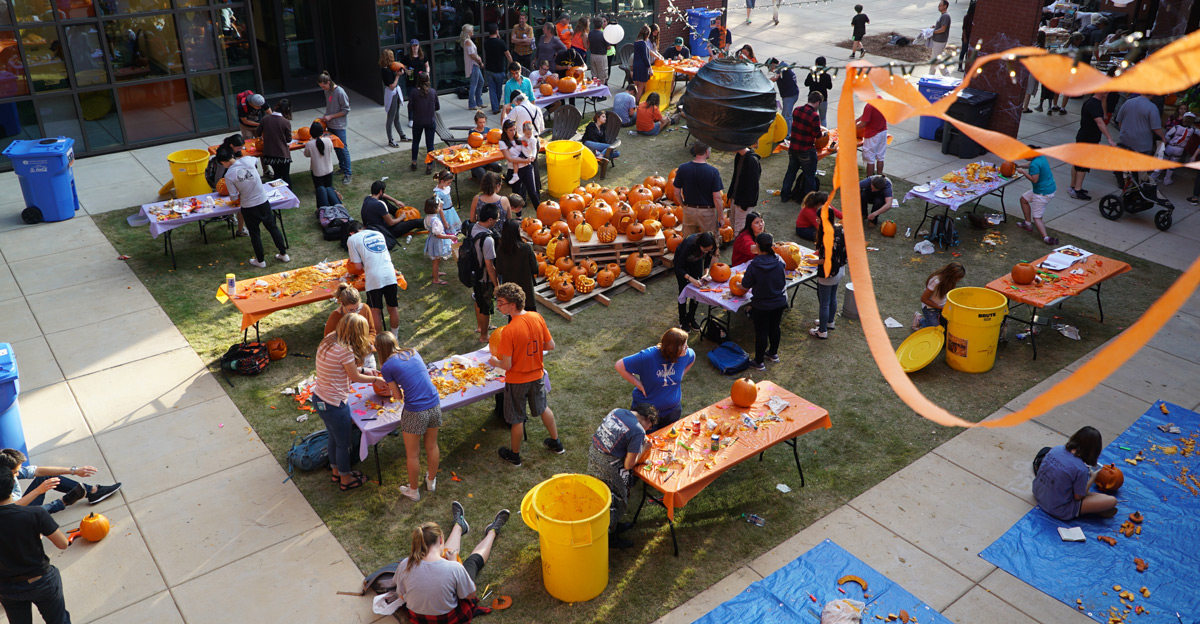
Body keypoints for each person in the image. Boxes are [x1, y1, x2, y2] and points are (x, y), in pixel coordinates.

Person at [392, 504, 510, 621]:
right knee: (472, 563)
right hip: (448, 619)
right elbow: (470, 594)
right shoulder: (454, 568)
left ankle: (459, 525)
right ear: (440, 540)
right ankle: (492, 531)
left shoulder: (404, 564)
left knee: (449, 556)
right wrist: (455, 563)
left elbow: (401, 595)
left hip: (419, 619)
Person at [488, 283, 563, 466]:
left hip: (517, 381)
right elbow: (550, 345)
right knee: (543, 407)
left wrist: (494, 362)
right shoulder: (536, 317)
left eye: (501, 303)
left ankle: (514, 456)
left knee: (517, 418)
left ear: (512, 304)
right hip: (537, 376)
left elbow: (506, 364)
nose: (498, 306)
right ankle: (557, 443)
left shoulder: (510, 331)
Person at [315, 313, 383, 491]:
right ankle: (345, 478)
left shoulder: (330, 339)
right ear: (357, 333)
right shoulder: (345, 350)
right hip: (335, 404)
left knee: (333, 436)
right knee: (344, 444)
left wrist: (364, 370)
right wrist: (375, 380)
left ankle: (336, 470)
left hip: (320, 399)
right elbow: (353, 376)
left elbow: (345, 368)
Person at [376, 333, 442, 502]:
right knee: (432, 445)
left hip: (415, 411)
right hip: (434, 403)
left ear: (379, 350)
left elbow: (397, 396)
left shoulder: (386, 367)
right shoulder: (413, 351)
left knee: (412, 454)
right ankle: (431, 481)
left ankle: (413, 491)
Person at [0, 469, 71, 624]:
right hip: (41, 581)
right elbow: (63, 544)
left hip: (7, 588)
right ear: (13, 485)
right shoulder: (35, 513)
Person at [586, 405, 658, 549]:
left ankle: (613, 526)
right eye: (650, 426)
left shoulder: (616, 411)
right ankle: (609, 536)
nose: (648, 430)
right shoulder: (637, 430)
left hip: (594, 455)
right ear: (648, 419)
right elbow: (628, 465)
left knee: (601, 496)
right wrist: (644, 448)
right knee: (614, 501)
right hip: (609, 467)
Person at [219, 146, 289, 269]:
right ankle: (284, 254)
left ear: (223, 162)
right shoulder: (248, 160)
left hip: (248, 206)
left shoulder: (229, 175)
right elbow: (255, 160)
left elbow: (234, 198)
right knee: (272, 227)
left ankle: (260, 260)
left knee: (255, 233)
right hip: (263, 201)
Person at [1032, 427, 1118, 521]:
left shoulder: (1057, 449)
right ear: (1094, 450)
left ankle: (1095, 508)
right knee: (1112, 501)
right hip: (1058, 509)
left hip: (1038, 493)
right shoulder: (1081, 469)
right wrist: (1092, 478)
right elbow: (1078, 497)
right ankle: (1093, 510)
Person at [615, 328, 694, 428]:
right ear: (673, 348)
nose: (687, 347)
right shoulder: (648, 356)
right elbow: (620, 366)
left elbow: (692, 357)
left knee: (667, 439)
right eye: (683, 346)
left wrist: (680, 375)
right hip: (647, 414)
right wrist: (639, 385)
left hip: (672, 411)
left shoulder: (686, 354)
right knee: (645, 441)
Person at [2, 448, 121, 515]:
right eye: (15, 472)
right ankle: (64, 501)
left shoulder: (6, 469)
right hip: (10, 520)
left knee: (46, 477)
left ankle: (91, 491)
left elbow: (38, 471)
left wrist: (74, 470)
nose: (18, 474)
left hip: (16, 508)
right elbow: (10, 510)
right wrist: (38, 491)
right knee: (36, 513)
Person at [741, 232, 787, 371]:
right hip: (779, 301)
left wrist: (738, 286)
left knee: (761, 331)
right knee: (775, 327)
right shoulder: (779, 260)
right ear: (772, 245)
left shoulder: (754, 265)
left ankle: (759, 361)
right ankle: (773, 353)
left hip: (762, 305)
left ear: (757, 246)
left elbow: (745, 285)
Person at [346, 219, 401, 333]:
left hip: (374, 277)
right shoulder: (378, 233)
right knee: (392, 307)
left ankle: (379, 340)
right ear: (363, 228)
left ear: (351, 233)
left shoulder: (352, 239)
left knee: (375, 310)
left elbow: (357, 267)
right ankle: (394, 337)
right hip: (390, 272)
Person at [672, 142, 725, 237]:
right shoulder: (713, 172)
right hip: (707, 213)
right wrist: (721, 217)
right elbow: (717, 198)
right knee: (709, 242)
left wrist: (683, 205)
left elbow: (676, 192)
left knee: (688, 242)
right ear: (706, 151)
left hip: (689, 210)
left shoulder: (683, 168)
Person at [780, 92, 823, 204]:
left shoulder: (797, 110)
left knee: (791, 172)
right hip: (806, 150)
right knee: (809, 176)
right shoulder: (814, 116)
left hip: (793, 147)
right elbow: (817, 134)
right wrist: (824, 134)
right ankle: (809, 201)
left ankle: (784, 195)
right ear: (818, 102)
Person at [1070, 92, 1114, 200]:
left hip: (1085, 136)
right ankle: (1077, 189)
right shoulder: (1093, 104)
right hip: (1088, 138)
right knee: (1083, 164)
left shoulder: (1093, 102)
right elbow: (1100, 122)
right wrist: (1109, 138)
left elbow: (1102, 116)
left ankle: (1073, 186)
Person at [324, 283, 381, 365]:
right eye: (351, 310)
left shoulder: (365, 308)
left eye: (357, 308)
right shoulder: (335, 316)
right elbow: (328, 341)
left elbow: (372, 331)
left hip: (365, 354)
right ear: (342, 304)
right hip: (346, 357)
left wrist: (368, 343)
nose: (355, 313)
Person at [468, 203, 500, 342]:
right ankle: (484, 336)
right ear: (490, 220)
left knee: (478, 300)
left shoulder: (474, 228)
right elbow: (489, 265)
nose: (498, 220)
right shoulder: (487, 240)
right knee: (486, 307)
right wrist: (496, 284)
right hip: (484, 278)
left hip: (474, 273)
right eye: (497, 219)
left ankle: (481, 327)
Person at [205, 134, 248, 236]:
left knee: (234, 198)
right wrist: (218, 186)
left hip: (230, 177)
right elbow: (219, 177)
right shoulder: (223, 155)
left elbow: (238, 157)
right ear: (232, 145)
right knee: (226, 198)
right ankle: (229, 216)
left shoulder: (233, 149)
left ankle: (231, 216)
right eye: (238, 148)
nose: (240, 149)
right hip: (221, 177)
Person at [672, 232, 716, 331]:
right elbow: (679, 267)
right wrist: (691, 279)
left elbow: (708, 259)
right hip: (683, 264)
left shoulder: (709, 247)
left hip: (696, 262)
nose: (706, 252)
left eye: (709, 250)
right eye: (704, 250)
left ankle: (691, 317)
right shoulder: (689, 245)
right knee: (683, 290)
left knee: (696, 291)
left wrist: (706, 273)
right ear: (699, 245)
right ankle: (682, 320)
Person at [810, 218, 846, 339]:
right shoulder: (840, 228)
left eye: (818, 219)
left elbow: (826, 260)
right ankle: (829, 322)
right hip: (839, 269)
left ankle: (822, 331)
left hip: (828, 273)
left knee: (824, 303)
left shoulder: (827, 235)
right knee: (833, 297)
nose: (816, 221)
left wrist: (812, 261)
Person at [361, 179, 424, 244]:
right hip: (385, 232)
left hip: (372, 227)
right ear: (380, 191)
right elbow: (391, 223)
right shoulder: (379, 204)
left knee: (383, 199)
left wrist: (395, 201)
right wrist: (401, 217)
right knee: (415, 222)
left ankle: (397, 213)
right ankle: (426, 222)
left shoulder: (367, 198)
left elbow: (383, 195)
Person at [1015, 154, 1059, 246]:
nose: (1024, 156)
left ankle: (1046, 238)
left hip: (1042, 193)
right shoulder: (1040, 157)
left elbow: (1034, 180)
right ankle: (1027, 224)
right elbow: (1030, 164)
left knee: (1037, 218)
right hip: (1049, 188)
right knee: (1023, 199)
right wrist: (1020, 166)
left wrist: (1023, 172)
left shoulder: (1035, 164)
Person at [495, 219, 538, 312]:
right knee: (530, 318)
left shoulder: (500, 250)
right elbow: (535, 268)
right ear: (517, 231)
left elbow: (499, 271)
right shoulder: (526, 248)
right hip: (526, 291)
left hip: (510, 292)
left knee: (513, 316)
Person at [318, 71, 352, 184]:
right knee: (336, 147)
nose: (323, 89)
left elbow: (346, 110)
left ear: (328, 82)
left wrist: (331, 116)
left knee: (343, 148)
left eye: (323, 86)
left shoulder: (340, 92)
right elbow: (330, 107)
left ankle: (348, 173)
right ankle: (342, 168)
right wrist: (325, 116)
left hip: (339, 125)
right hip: (330, 124)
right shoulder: (327, 91)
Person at [498, 119, 539, 209]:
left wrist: (531, 155)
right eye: (510, 130)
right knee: (516, 194)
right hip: (514, 170)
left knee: (532, 192)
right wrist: (525, 160)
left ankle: (540, 212)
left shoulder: (520, 138)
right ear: (505, 130)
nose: (513, 132)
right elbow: (509, 158)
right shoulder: (502, 142)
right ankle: (518, 216)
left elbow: (529, 148)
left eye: (514, 129)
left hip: (526, 167)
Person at [915, 262, 965, 329]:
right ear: (951, 276)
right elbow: (924, 299)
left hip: (941, 306)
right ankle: (919, 319)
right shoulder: (936, 282)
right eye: (957, 279)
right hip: (929, 308)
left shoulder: (951, 282)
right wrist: (940, 307)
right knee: (935, 330)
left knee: (948, 326)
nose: (958, 281)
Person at [1114, 92, 1165, 157]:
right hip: (1142, 145)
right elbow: (1156, 128)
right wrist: (1163, 137)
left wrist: (1124, 132)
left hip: (1125, 141)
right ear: (1152, 94)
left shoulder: (1128, 102)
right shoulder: (1152, 108)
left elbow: (1119, 121)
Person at [408, 71, 439, 175]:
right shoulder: (432, 92)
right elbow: (437, 107)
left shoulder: (414, 92)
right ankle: (429, 165)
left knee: (415, 142)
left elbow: (410, 107)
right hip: (430, 121)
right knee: (430, 144)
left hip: (418, 121)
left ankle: (414, 162)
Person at [256, 97, 292, 185]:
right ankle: (289, 193)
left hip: (269, 154)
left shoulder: (265, 119)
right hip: (282, 154)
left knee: (277, 175)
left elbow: (258, 133)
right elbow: (288, 139)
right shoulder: (285, 122)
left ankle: (277, 193)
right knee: (285, 176)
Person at [1154, 112, 1195, 186]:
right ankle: (1167, 179)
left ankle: (1154, 176)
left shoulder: (1177, 127)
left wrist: (1166, 143)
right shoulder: (1192, 130)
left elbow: (1167, 135)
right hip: (1180, 149)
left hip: (1170, 146)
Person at [728, 145, 762, 234]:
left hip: (743, 203)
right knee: (733, 225)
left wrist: (745, 204)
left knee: (740, 231)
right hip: (735, 197)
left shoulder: (752, 161)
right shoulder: (739, 156)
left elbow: (753, 186)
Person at [423, 196, 455, 286]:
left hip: (431, 240)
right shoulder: (435, 220)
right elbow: (438, 235)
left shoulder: (428, 218)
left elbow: (429, 229)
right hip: (436, 242)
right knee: (436, 261)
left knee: (437, 259)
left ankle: (435, 273)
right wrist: (450, 237)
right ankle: (436, 279)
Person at [380, 49, 409, 146]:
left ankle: (402, 135)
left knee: (396, 116)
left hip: (396, 93)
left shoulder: (390, 67)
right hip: (391, 94)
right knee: (391, 118)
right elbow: (392, 86)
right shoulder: (385, 71)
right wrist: (397, 76)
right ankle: (390, 139)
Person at [483, 24, 512, 115]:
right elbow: (507, 54)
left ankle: (495, 106)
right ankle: (496, 106)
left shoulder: (486, 42)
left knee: (492, 89)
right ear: (496, 31)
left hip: (489, 69)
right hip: (499, 69)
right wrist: (511, 64)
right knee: (498, 89)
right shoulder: (501, 42)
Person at [303, 122, 336, 194]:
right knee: (329, 188)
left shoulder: (309, 144)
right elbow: (330, 150)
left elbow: (306, 154)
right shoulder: (328, 140)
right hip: (329, 169)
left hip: (317, 171)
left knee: (320, 191)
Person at [858, 98, 887, 176]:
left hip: (872, 135)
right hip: (883, 131)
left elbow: (863, 123)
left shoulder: (868, 106)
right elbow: (866, 115)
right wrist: (856, 121)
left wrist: (851, 128)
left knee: (870, 158)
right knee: (880, 156)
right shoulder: (880, 99)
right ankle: (880, 176)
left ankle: (869, 179)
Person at [398, 40, 429, 105]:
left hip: (421, 82)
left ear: (419, 46)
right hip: (411, 82)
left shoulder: (423, 56)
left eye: (416, 45)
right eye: (413, 46)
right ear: (411, 47)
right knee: (412, 102)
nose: (415, 47)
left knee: (422, 101)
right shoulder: (407, 57)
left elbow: (427, 66)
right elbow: (401, 66)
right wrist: (406, 71)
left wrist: (427, 73)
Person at [432, 171, 462, 237]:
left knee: (453, 223)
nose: (450, 184)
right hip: (445, 213)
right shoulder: (439, 193)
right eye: (448, 182)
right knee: (448, 226)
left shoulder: (446, 188)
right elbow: (440, 209)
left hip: (450, 210)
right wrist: (445, 222)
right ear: (442, 181)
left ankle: (454, 231)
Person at [462, 24, 485, 111]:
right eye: (472, 30)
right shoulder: (467, 41)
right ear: (468, 32)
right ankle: (472, 103)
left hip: (475, 65)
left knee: (481, 82)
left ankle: (479, 102)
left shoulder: (469, 41)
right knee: (474, 85)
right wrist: (479, 61)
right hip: (473, 65)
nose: (473, 32)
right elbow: (472, 55)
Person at [928, 0, 952, 76]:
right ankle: (931, 74)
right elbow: (941, 26)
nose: (939, 6)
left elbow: (943, 29)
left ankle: (946, 75)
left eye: (940, 5)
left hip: (940, 41)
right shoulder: (942, 15)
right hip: (937, 41)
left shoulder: (945, 16)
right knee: (934, 59)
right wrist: (935, 27)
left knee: (937, 60)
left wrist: (933, 32)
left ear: (945, 6)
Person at [631, 25, 653, 101]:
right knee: (640, 88)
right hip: (642, 67)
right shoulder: (643, 43)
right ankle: (636, 103)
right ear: (647, 35)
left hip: (636, 66)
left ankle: (631, 102)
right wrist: (650, 69)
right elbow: (645, 57)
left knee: (635, 87)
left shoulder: (636, 42)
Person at [587, 16, 608, 84]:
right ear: (601, 24)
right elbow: (608, 47)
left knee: (594, 75)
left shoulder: (590, 33)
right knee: (602, 77)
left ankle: (595, 90)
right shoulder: (603, 35)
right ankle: (601, 92)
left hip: (592, 55)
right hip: (601, 56)